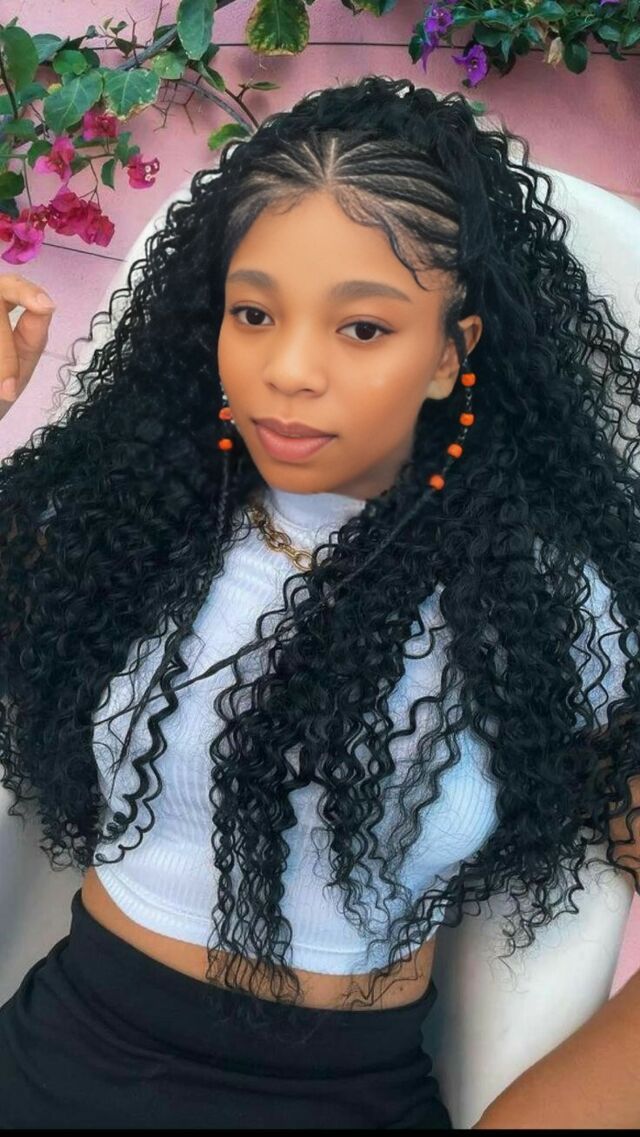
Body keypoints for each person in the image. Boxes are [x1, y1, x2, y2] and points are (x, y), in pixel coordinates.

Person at [0, 75, 638, 1129]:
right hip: (57, 1072)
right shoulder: (113, 524)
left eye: (363, 328)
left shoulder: (546, 604)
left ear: (451, 353)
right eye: (254, 314)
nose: (288, 370)